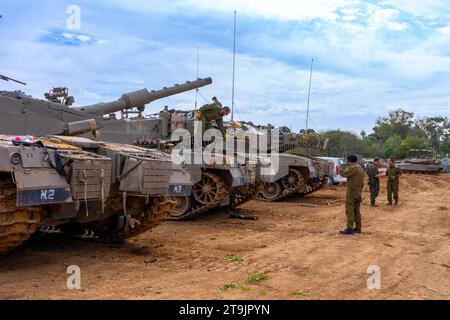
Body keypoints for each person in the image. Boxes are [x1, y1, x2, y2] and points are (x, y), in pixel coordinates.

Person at [339, 155, 365, 235]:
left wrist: (342, 165)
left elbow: (343, 173)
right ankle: (358, 228)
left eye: (347, 161)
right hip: (358, 191)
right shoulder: (360, 168)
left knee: (349, 210)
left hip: (352, 192)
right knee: (356, 211)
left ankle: (349, 228)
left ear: (349, 161)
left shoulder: (354, 168)